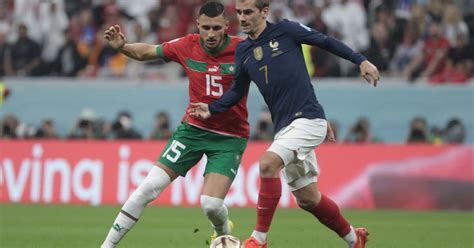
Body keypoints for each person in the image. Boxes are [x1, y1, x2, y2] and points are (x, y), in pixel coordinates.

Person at [190, 0, 380, 247]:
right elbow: (236, 91)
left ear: (264, 12)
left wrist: (360, 60)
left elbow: (325, 41)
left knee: (268, 164)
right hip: (285, 128)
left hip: (307, 119)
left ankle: (258, 240)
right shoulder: (244, 50)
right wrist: (212, 108)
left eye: (248, 12)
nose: (243, 18)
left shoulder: (286, 30)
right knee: (308, 199)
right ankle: (355, 239)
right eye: (239, 13)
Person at [100, 2, 250, 247]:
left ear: (226, 26)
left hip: (229, 137)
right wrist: (123, 47)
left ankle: (222, 233)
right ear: (197, 26)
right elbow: (148, 52)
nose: (210, 34)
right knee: (147, 188)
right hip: (192, 131)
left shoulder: (242, 50)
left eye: (216, 28)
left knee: (211, 205)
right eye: (205, 28)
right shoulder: (187, 45)